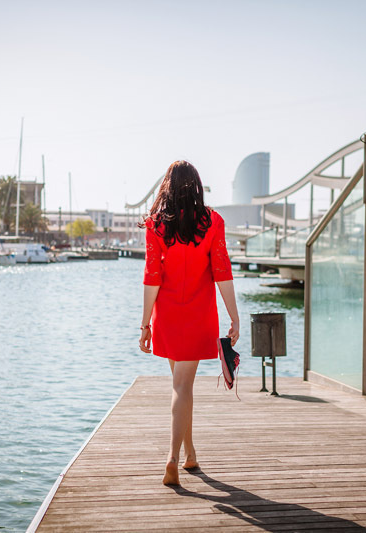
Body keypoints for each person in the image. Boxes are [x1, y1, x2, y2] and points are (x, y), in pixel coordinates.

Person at [138, 160, 240, 486]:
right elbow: (222, 271)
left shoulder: (156, 225)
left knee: (181, 386)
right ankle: (173, 457)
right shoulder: (212, 221)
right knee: (183, 386)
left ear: (166, 187)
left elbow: (152, 276)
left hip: (167, 315)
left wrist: (145, 324)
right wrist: (234, 316)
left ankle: (190, 453)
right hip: (199, 315)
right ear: (196, 186)